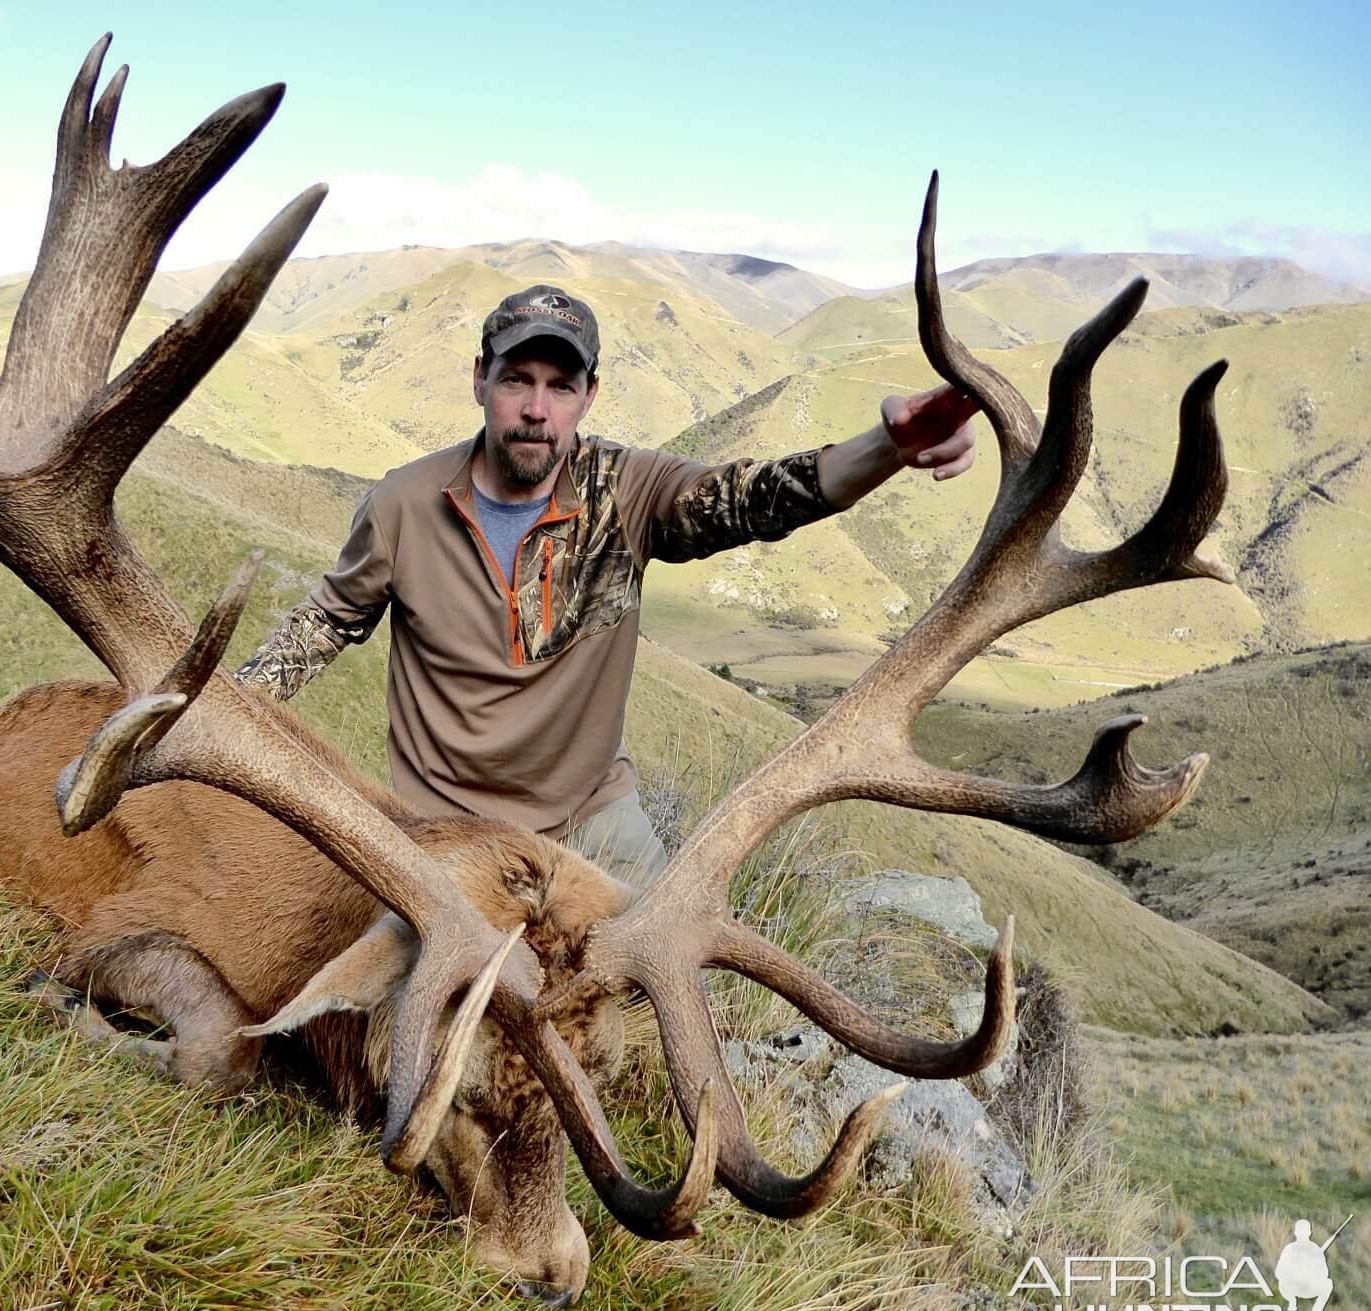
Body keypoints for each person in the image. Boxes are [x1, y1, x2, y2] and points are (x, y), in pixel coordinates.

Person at [237, 287, 977, 884]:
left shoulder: (627, 491)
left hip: (594, 821)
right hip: (442, 830)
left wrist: (890, 446)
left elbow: (754, 499)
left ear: (589, 396)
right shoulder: (403, 503)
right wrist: (219, 714)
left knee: (664, 999)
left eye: (561, 387)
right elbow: (325, 626)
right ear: (479, 381)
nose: (536, 409)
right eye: (517, 381)